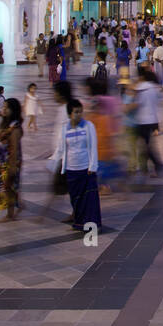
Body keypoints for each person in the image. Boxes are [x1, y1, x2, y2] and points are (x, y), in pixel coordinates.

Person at [52, 99, 101, 232]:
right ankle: (79, 223)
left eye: (80, 112)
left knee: (89, 199)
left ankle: (93, 225)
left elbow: (93, 146)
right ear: (69, 114)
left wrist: (93, 166)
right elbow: (61, 148)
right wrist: (53, 162)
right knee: (76, 198)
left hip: (86, 169)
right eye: (76, 112)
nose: (79, 114)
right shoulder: (64, 128)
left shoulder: (88, 126)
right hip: (71, 169)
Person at [127, 68, 163, 176]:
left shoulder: (141, 88)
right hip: (153, 119)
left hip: (143, 120)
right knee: (146, 144)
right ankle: (147, 167)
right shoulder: (154, 87)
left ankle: (155, 167)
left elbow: (137, 103)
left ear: (141, 77)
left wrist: (126, 108)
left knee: (145, 145)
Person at [0, 99, 24, 221]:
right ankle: (18, 204)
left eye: (7, 107)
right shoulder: (6, 124)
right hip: (2, 161)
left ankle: (10, 214)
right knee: (9, 186)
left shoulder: (14, 128)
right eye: (3, 107)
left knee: (8, 187)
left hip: (10, 162)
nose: (4, 109)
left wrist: (12, 167)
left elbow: (15, 149)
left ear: (14, 111)